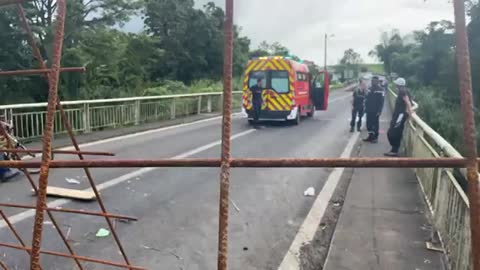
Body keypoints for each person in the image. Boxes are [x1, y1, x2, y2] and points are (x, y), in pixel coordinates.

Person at [385, 78, 415, 156]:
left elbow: (408, 102)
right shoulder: (404, 91)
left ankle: (394, 150)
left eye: (396, 85)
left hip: (400, 115)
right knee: (396, 131)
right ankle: (394, 150)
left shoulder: (402, 91)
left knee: (392, 132)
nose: (395, 86)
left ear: (399, 85)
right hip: (399, 114)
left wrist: (410, 113)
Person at [363, 76, 385, 143]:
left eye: (375, 81)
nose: (373, 82)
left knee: (375, 124)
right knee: (368, 124)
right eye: (372, 81)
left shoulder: (380, 90)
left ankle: (375, 138)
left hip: (375, 110)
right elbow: (366, 98)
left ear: (377, 82)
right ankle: (370, 136)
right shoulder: (369, 88)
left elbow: (382, 101)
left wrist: (379, 111)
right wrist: (365, 107)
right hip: (369, 109)